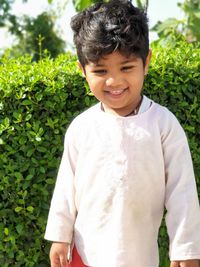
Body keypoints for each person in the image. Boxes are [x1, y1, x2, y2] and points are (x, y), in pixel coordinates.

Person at [44, 1, 200, 266]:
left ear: (146, 62)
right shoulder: (82, 127)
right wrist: (60, 235)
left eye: (126, 68)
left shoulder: (163, 124)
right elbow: (66, 187)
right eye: (100, 71)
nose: (114, 81)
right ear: (82, 69)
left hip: (138, 256)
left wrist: (186, 250)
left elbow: (182, 192)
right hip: (84, 254)